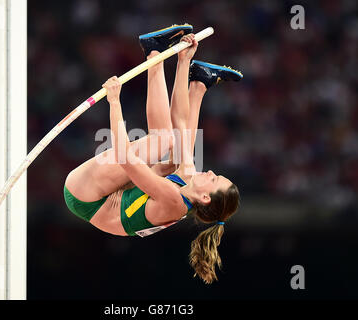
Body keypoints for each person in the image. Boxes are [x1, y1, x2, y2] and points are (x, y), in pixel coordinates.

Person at [64, 24, 242, 284]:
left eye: (215, 180)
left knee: (163, 141)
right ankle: (199, 82)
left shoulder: (174, 201)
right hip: (115, 190)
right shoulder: (187, 184)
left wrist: (115, 102)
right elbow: (181, 121)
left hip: (86, 197)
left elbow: (126, 159)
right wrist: (184, 62)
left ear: (205, 197)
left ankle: (154, 54)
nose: (212, 172)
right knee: (177, 148)